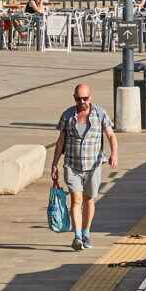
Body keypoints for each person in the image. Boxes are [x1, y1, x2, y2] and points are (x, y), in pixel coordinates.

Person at [49, 82, 117, 252]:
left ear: (90, 98)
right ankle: (77, 236)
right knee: (76, 200)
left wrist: (114, 154)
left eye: (85, 99)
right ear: (74, 98)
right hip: (72, 165)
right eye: (79, 99)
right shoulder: (67, 116)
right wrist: (54, 163)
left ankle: (86, 232)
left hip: (93, 166)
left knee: (89, 200)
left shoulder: (100, 114)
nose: (82, 102)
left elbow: (111, 135)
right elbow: (60, 141)